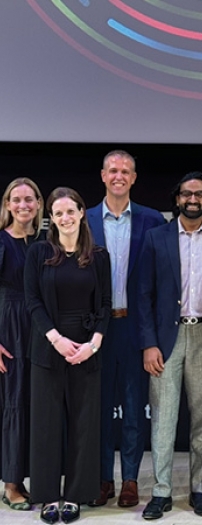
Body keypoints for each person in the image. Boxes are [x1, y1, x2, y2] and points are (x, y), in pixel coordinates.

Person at [138, 171, 202, 521]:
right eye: (186, 193)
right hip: (166, 340)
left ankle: (200, 490)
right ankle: (161, 492)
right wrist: (149, 344)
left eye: (199, 194)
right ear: (177, 198)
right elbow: (144, 296)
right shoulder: (156, 238)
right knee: (163, 423)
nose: (192, 199)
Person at [24, 187, 111, 524]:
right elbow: (33, 300)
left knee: (84, 425)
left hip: (88, 349)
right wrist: (56, 339)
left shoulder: (99, 255)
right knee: (45, 425)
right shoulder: (38, 253)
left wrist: (94, 343)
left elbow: (105, 303)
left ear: (81, 213)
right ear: (51, 218)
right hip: (48, 347)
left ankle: (76, 495)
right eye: (57, 213)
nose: (64, 218)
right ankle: (46, 496)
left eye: (70, 211)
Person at [87, 150, 165, 508]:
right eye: (113, 170)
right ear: (103, 176)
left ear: (134, 178)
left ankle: (130, 479)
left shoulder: (152, 221)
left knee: (134, 409)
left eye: (126, 171)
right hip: (96, 331)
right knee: (100, 409)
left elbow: (162, 282)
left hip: (136, 328)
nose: (119, 176)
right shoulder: (84, 220)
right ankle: (103, 478)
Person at [0, 178, 44, 511]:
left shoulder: (44, 242)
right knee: (14, 403)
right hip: (10, 329)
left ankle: (29, 478)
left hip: (39, 328)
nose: (23, 205)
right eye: (17, 200)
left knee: (35, 404)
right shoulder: (1, 241)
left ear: (39, 204)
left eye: (29, 199)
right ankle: (12, 483)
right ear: (8, 205)